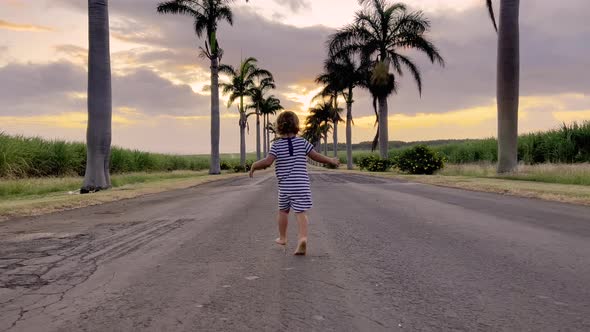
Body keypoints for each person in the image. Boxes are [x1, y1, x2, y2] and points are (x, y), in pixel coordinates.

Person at [249, 111, 340, 255]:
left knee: (283, 212)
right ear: (297, 126)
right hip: (301, 185)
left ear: (279, 127)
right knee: (300, 212)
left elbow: (267, 162)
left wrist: (254, 165)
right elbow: (315, 156)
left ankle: (283, 237)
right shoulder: (302, 142)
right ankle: (302, 238)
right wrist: (331, 160)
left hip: (285, 187)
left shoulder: (276, 146)